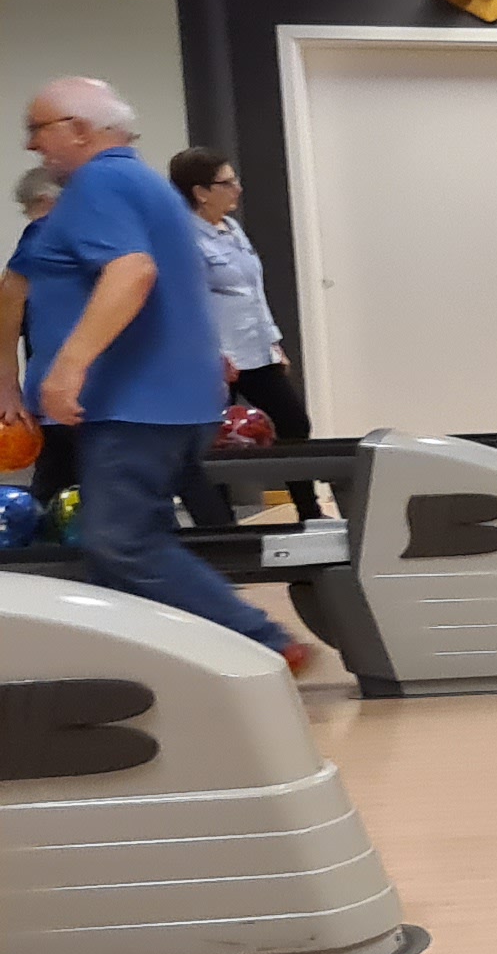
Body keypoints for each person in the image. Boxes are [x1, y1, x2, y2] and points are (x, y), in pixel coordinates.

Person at [15, 78, 315, 668]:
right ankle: (150, 668)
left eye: (38, 129)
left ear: (78, 129)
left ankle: (264, 643)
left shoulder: (99, 183)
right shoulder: (143, 183)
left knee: (120, 543)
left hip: (136, 403)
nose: (31, 145)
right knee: (119, 549)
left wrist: (67, 367)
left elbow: (132, 272)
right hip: (169, 399)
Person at [169, 146, 323, 518]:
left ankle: (309, 510)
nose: (237, 188)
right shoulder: (183, 238)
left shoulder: (231, 229)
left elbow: (253, 292)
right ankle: (221, 526)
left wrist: (273, 341)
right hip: (214, 359)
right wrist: (209, 355)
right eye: (227, 182)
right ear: (200, 192)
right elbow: (186, 305)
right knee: (216, 441)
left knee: (293, 423)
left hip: (255, 350)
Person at [5, 163, 67, 499]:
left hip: (59, 390)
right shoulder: (42, 236)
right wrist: (8, 387)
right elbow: (10, 305)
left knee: (54, 477)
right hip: (59, 390)